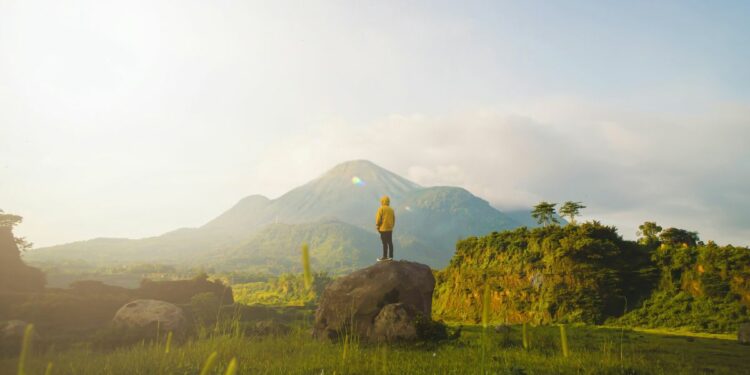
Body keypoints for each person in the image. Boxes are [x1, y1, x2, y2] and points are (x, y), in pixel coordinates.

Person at [375, 195, 395, 261]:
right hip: (390, 229)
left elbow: (378, 219)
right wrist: (391, 226)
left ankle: (385, 257)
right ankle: (391, 256)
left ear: (382, 201)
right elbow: (394, 219)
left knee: (384, 243)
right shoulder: (391, 209)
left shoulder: (381, 209)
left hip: (383, 229)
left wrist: (377, 226)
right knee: (390, 242)